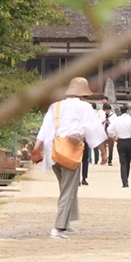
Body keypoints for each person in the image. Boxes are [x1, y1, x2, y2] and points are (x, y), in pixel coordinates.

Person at [31, 78, 108, 239]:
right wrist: (103, 152)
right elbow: (94, 130)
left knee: (66, 187)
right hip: (70, 152)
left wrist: (36, 148)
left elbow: (45, 128)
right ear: (84, 94)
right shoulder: (85, 107)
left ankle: (67, 222)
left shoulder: (56, 106)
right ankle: (58, 228)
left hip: (54, 152)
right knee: (68, 189)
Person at [107, 104, 131, 187]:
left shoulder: (116, 120)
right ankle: (126, 178)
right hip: (129, 140)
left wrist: (114, 137)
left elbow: (109, 130)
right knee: (128, 161)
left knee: (122, 162)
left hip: (120, 140)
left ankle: (124, 181)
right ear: (127, 111)